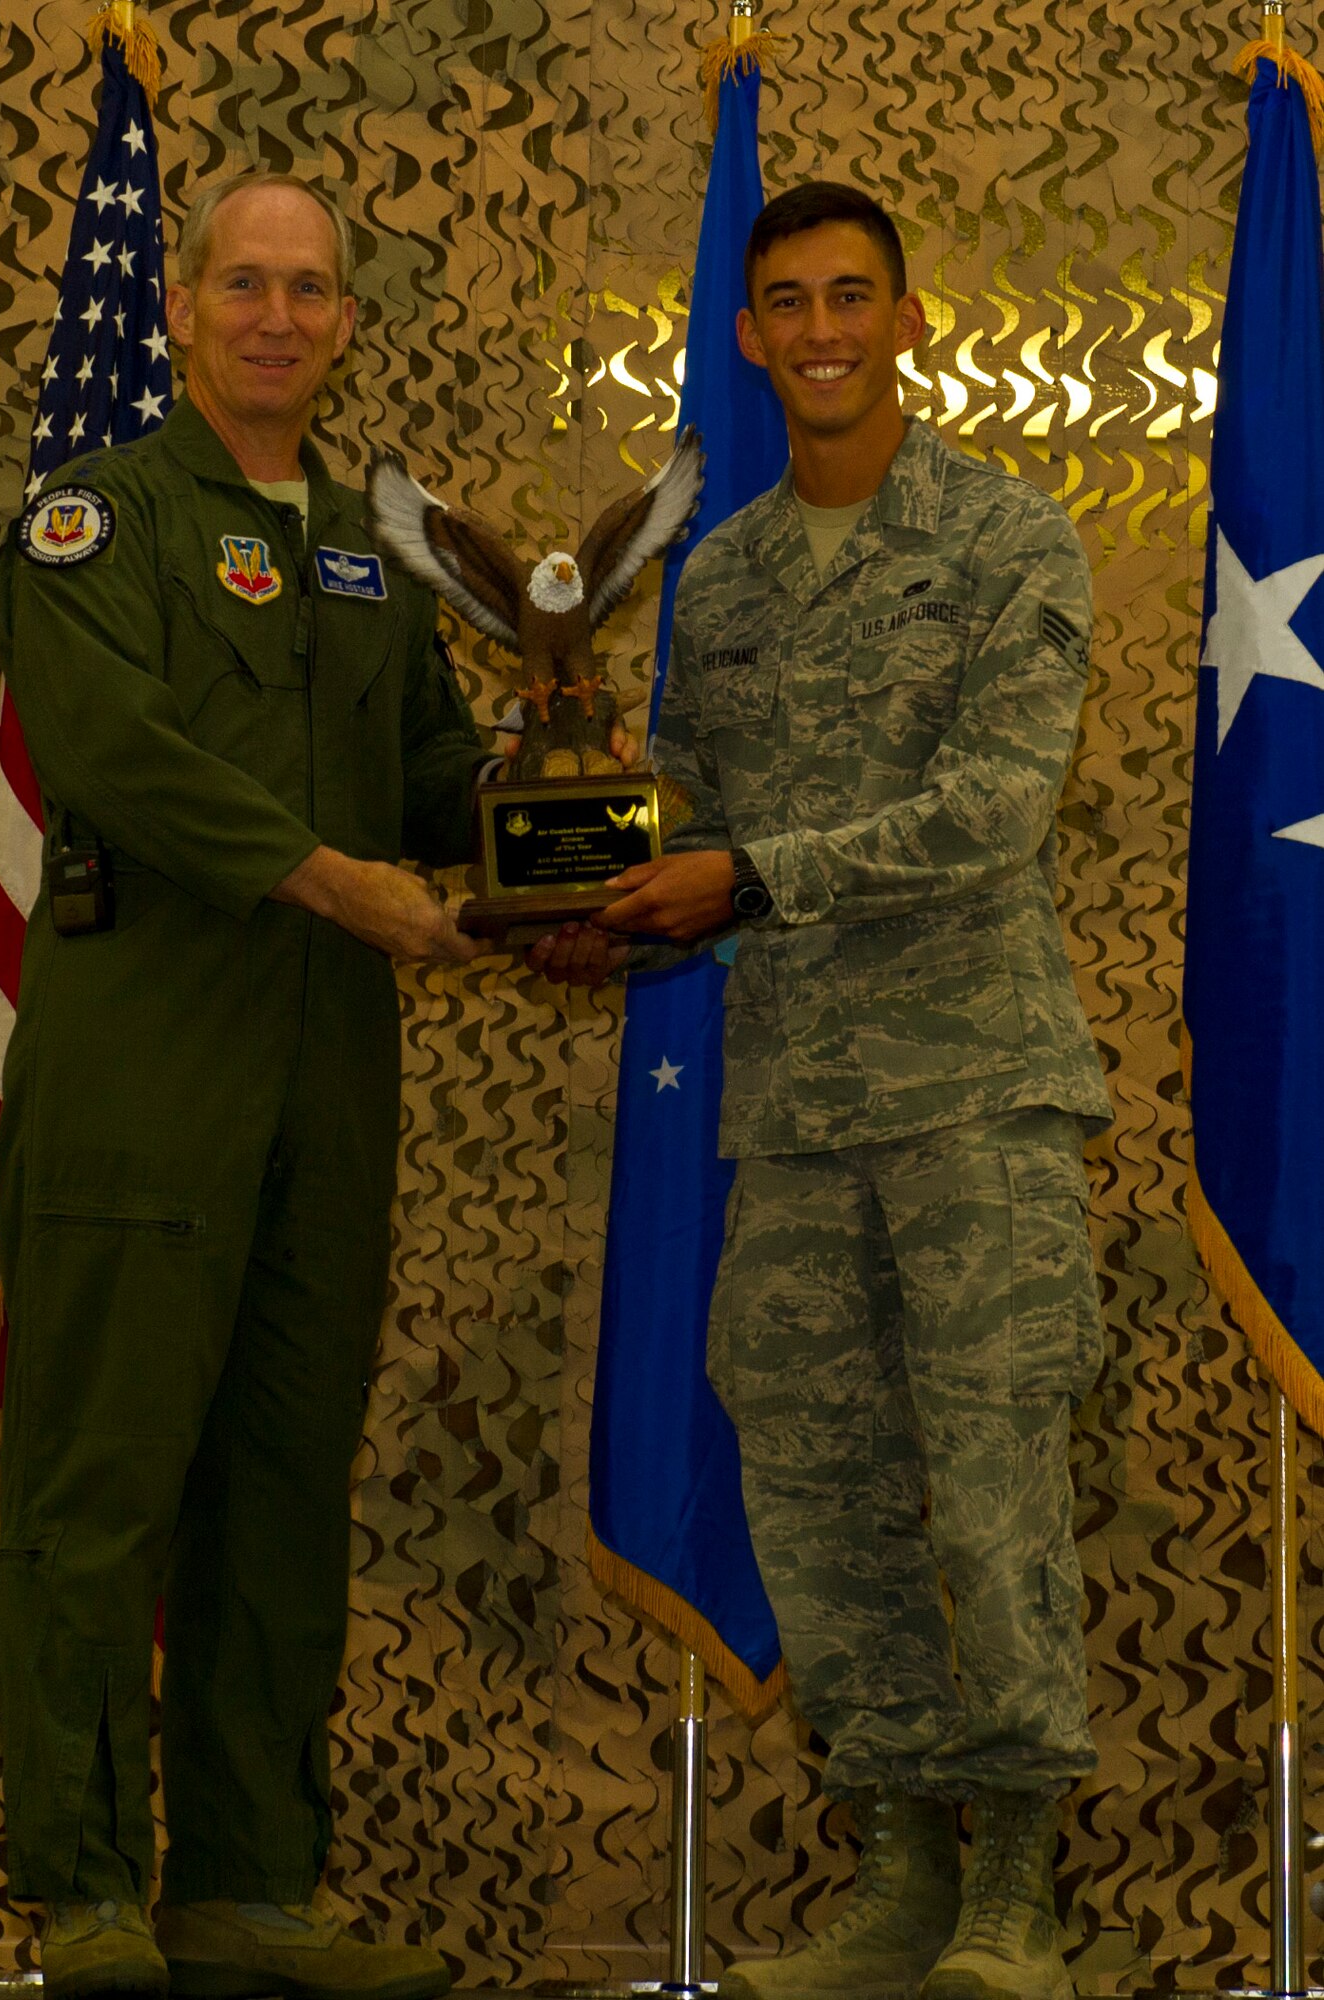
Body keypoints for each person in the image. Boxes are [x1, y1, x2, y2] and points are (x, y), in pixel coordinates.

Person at [532, 182, 1112, 2000]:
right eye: (788, 304)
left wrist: (743, 878)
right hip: (791, 1116)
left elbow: (997, 808)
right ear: (753, 336)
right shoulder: (725, 579)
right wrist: (593, 902)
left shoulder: (1009, 537)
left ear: (908, 319)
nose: (823, 331)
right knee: (817, 1490)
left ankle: (1018, 1888)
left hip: (974, 1101)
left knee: (993, 1491)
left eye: (853, 296)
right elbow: (689, 814)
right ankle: (903, 1874)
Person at [0, 173, 489, 2000]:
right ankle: (86, 1892)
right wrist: (341, 883)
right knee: (100, 1491)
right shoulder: (96, 517)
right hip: (143, 1072)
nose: (279, 317)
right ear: (185, 306)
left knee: (280, 1488)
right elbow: (115, 751)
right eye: (247, 285)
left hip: (325, 1088)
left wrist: (567, 816)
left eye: (312, 290)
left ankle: (248, 1892)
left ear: (348, 323)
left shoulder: (372, 545)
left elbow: (430, 768)